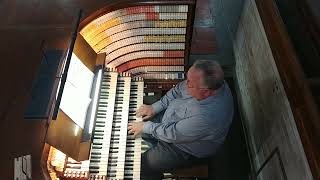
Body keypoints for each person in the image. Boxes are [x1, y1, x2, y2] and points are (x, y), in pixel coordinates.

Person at [127, 60, 234, 179]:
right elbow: (177, 90)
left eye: (190, 84)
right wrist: (154, 107)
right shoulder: (204, 83)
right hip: (175, 125)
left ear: (206, 92)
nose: (185, 84)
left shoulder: (208, 117)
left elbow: (173, 133)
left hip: (184, 148)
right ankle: (157, 148)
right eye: (187, 79)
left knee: (142, 166)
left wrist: (145, 127)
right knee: (144, 131)